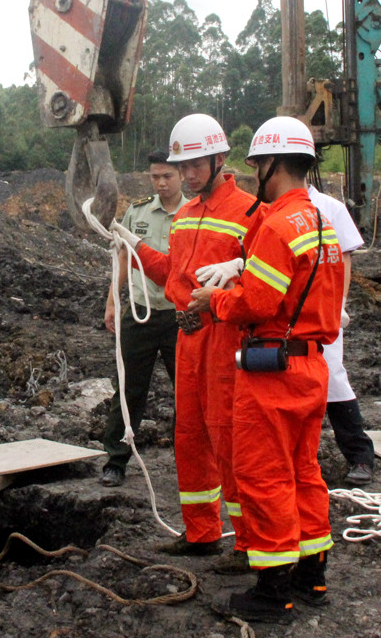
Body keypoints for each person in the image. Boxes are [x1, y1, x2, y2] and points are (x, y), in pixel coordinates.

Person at [190, 116, 343, 623]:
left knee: (263, 476)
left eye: (256, 164)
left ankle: (273, 590)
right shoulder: (322, 224)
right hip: (311, 367)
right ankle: (311, 575)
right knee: (304, 471)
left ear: (270, 165)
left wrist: (215, 300)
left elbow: (257, 301)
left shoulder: (278, 226)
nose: (253, 171)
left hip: (272, 372)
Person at [111, 113, 265, 574]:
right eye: (185, 166)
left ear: (220, 159)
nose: (190, 174)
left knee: (228, 436)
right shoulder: (185, 216)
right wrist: (132, 246)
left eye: (198, 165)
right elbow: (174, 277)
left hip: (225, 337)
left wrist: (220, 297)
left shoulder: (251, 213)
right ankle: (201, 532)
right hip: (189, 336)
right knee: (190, 434)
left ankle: (249, 542)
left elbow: (265, 287)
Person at [100, 150, 188, 487]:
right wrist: (112, 301)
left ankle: (191, 461)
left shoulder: (193, 215)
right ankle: (116, 460)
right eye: (155, 177)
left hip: (180, 316)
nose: (162, 183)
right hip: (141, 314)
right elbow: (123, 256)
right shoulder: (137, 213)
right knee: (128, 389)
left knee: (188, 392)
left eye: (168, 176)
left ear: (180, 175)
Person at [307, 183, 375, 485]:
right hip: (284, 314)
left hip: (322, 311)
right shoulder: (267, 206)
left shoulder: (328, 208)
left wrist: (340, 303)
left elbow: (344, 256)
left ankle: (360, 455)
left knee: (332, 378)